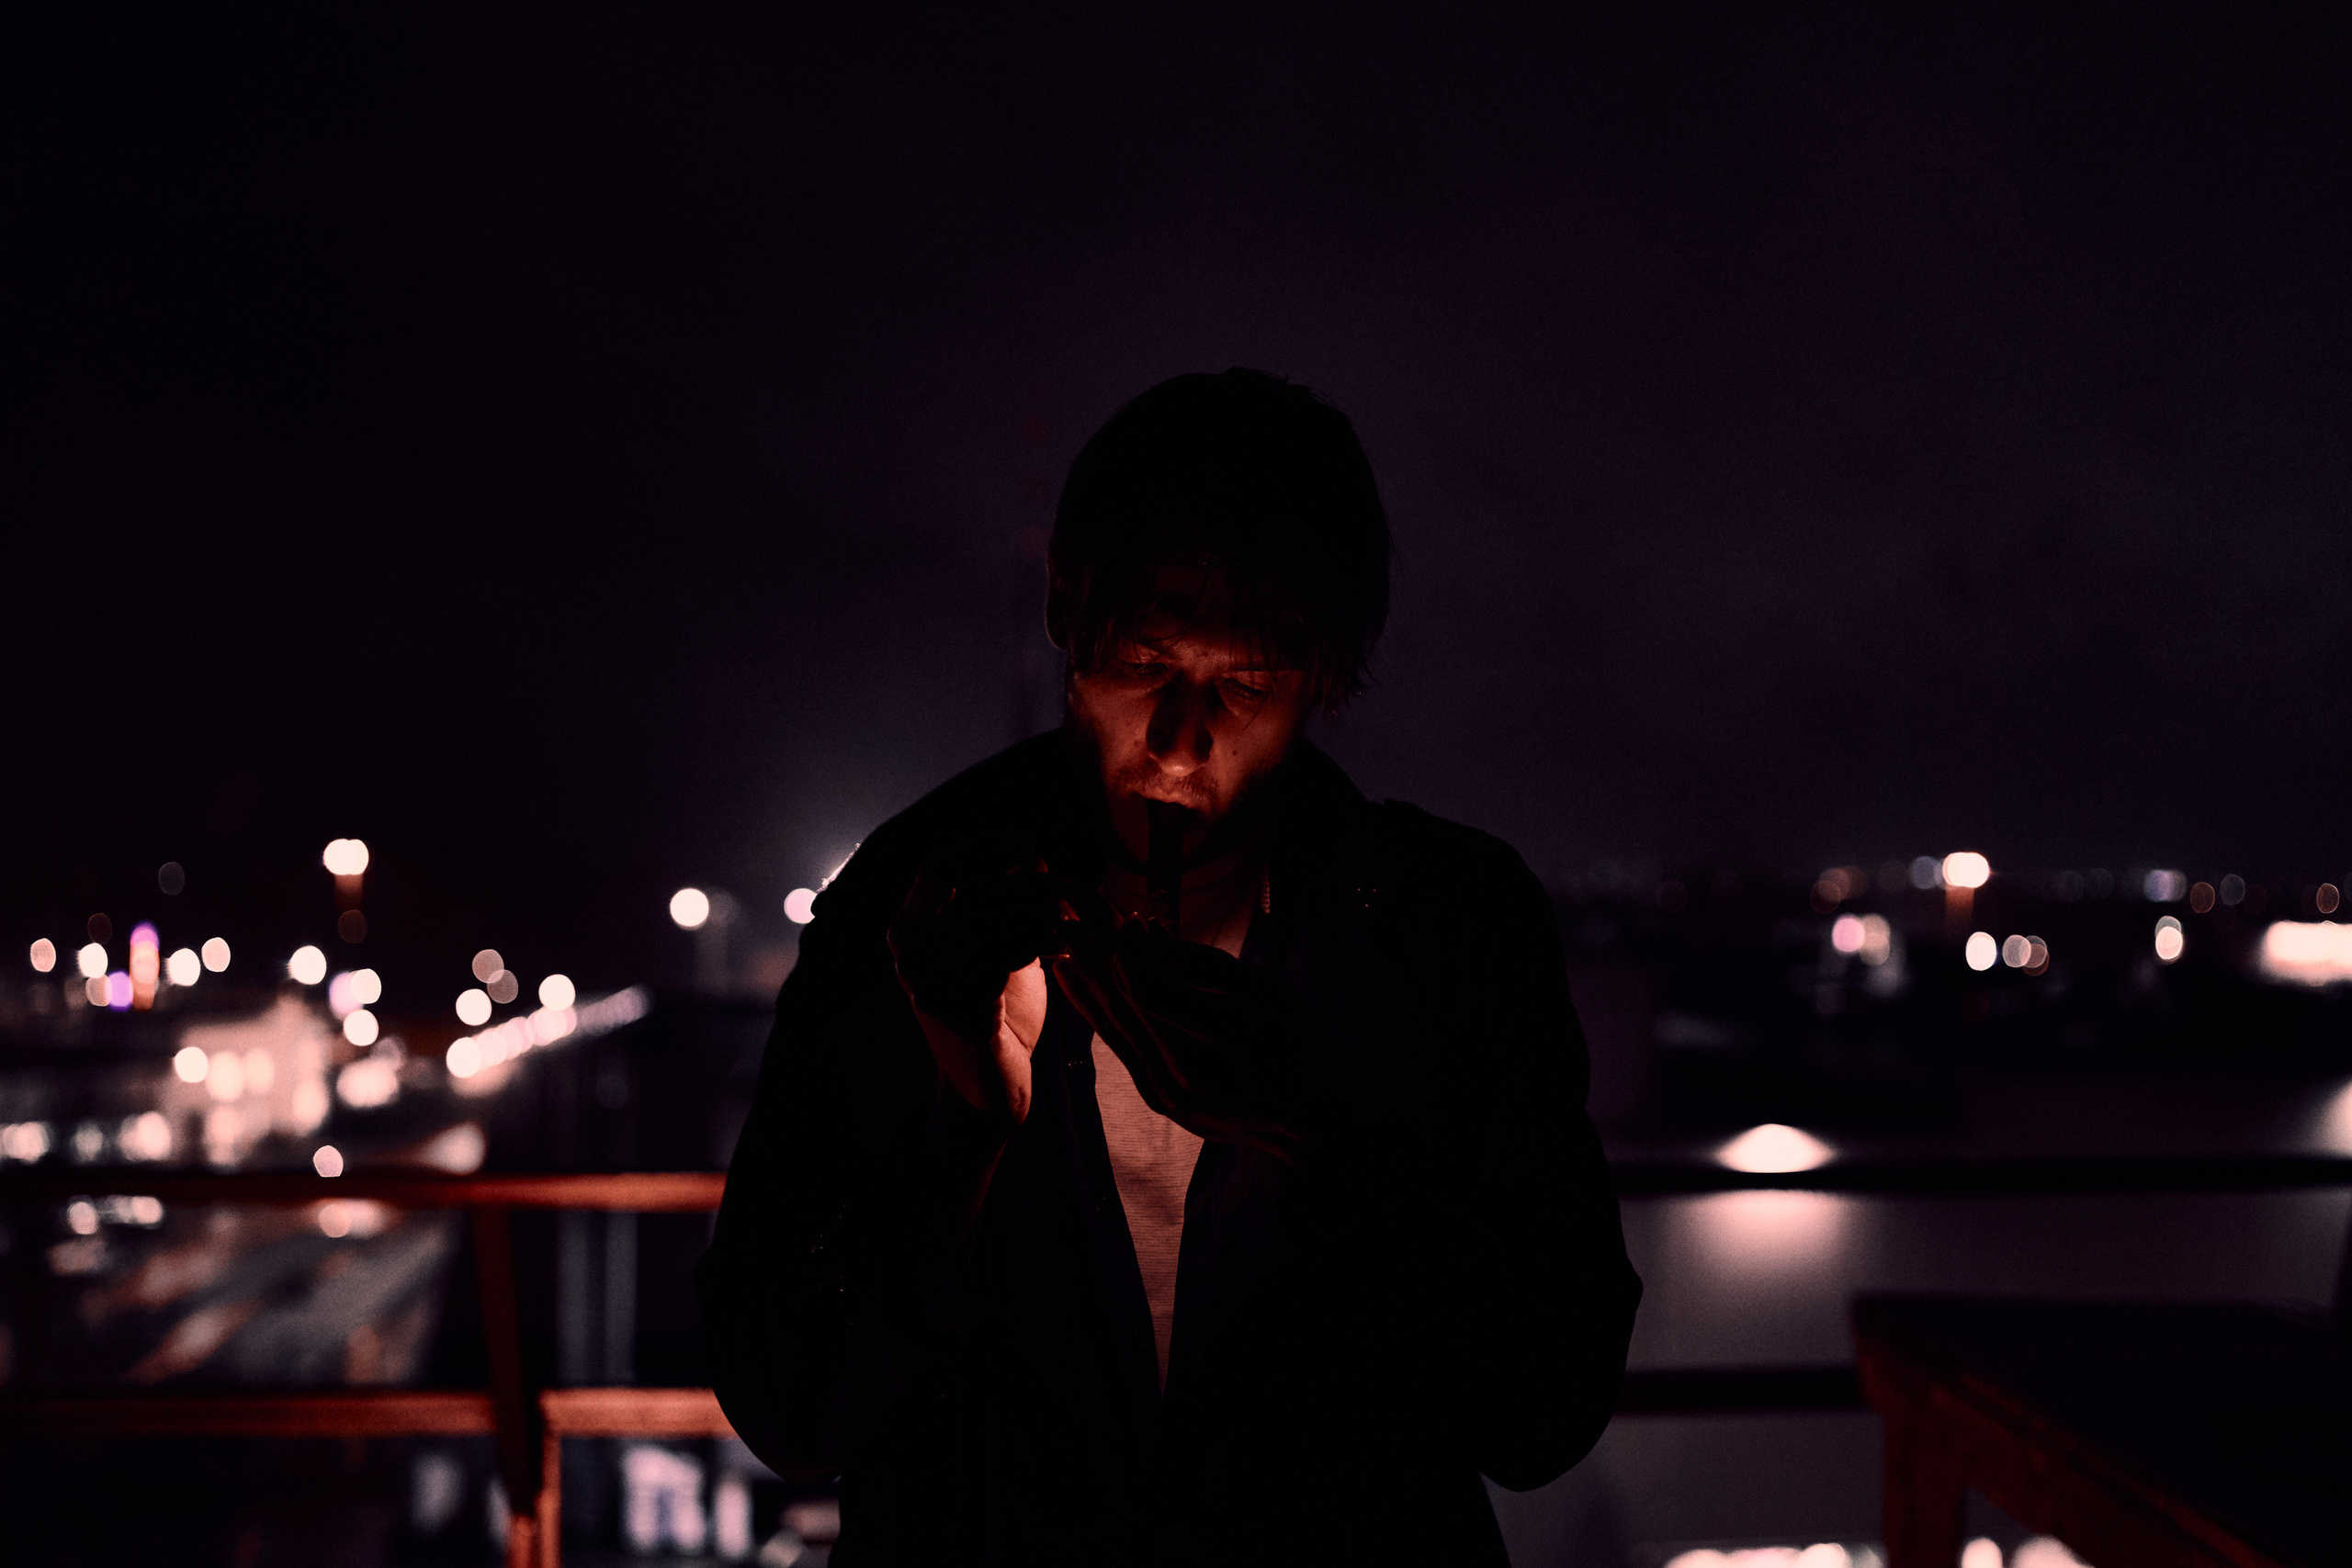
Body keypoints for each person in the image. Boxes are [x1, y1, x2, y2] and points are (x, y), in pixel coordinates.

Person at [697, 368, 1640, 1564]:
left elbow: (1545, 1407)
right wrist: (964, 1127)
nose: (1182, 737)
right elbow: (787, 1402)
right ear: (1066, 616)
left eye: (1245, 683)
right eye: (1149, 660)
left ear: (1330, 677)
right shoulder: (911, 909)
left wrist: (1329, 1147)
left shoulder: (1448, 928)